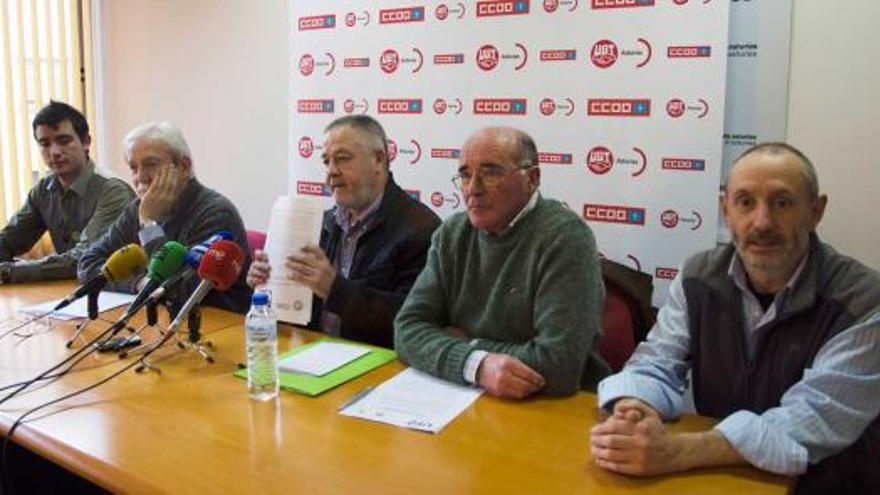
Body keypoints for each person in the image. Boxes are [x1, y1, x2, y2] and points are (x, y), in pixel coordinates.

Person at [591, 143, 880, 493]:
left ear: (815, 211)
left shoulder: (864, 301)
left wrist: (676, 451)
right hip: (726, 477)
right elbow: (655, 363)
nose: (762, 222)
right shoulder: (697, 275)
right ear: (725, 209)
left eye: (783, 203)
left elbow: (811, 422)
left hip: (828, 484)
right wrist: (633, 409)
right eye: (745, 202)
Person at [394, 127, 609, 399]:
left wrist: (469, 344)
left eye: (491, 172)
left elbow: (559, 365)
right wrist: (478, 365)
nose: (473, 188)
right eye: (465, 174)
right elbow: (407, 330)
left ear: (532, 178)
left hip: (556, 408)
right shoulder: (452, 233)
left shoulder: (565, 237)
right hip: (468, 398)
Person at [246, 115, 440, 347]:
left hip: (377, 364)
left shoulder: (421, 229)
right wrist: (268, 287)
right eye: (326, 161)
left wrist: (334, 288)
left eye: (342, 159)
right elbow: (298, 312)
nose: (331, 171)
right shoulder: (323, 223)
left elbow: (414, 323)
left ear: (379, 159)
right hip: (314, 352)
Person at [78, 122, 251, 313]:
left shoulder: (215, 212)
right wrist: (138, 283)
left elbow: (179, 292)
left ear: (183, 167)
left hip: (218, 327)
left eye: (151, 164)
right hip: (157, 323)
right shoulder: (136, 209)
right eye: (134, 168)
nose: (140, 177)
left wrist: (149, 224)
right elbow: (88, 264)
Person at [0, 101, 134, 283]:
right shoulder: (43, 190)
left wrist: (9, 272)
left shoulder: (113, 190)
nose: (54, 152)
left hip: (117, 293)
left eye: (64, 141)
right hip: (66, 291)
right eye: (45, 144)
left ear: (86, 141)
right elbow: (9, 241)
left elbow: (83, 258)